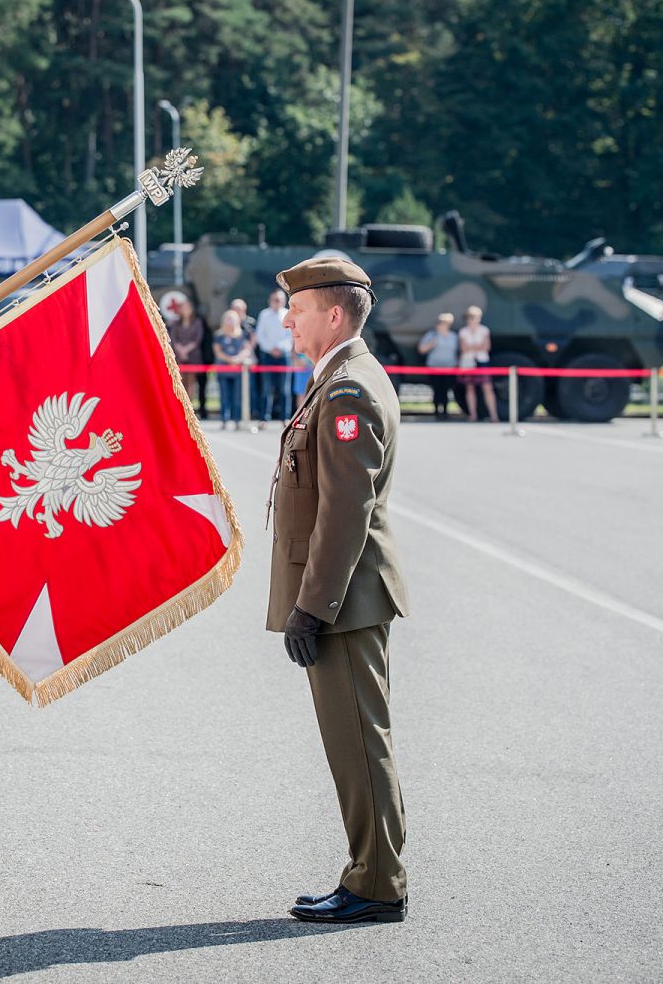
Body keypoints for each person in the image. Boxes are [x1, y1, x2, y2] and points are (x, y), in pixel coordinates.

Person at [267, 256, 410, 925]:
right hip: (342, 597)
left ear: (333, 313)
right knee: (356, 740)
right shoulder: (339, 380)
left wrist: (311, 606)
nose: (286, 319)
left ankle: (378, 883)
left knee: (358, 742)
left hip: (343, 601)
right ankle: (371, 871)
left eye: (296, 309)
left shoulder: (348, 389)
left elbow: (343, 511)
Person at [255, 289, 292, 428]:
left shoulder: (288, 314)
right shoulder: (264, 315)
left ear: (283, 301)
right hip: (267, 355)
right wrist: (271, 348)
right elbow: (260, 335)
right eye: (274, 299)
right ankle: (264, 418)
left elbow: (291, 336)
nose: (277, 302)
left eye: (279, 300)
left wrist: (280, 348)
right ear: (270, 300)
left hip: (284, 356)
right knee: (266, 388)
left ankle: (286, 418)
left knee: (284, 389)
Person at [165, 292, 205, 414]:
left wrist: (187, 349)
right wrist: (180, 350)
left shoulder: (197, 322)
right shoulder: (176, 324)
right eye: (184, 308)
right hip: (179, 357)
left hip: (193, 356)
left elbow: (198, 339)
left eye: (188, 308)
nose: (186, 310)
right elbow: (173, 338)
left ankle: (190, 409)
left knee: (191, 383)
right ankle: (180, 409)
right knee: (180, 382)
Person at [457, 305, 498, 422]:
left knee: (487, 388)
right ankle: (473, 415)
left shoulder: (484, 330)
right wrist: (477, 346)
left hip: (482, 361)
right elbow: (464, 348)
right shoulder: (463, 331)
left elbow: (486, 346)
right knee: (470, 388)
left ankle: (494, 415)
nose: (473, 319)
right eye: (471, 317)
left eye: (475, 317)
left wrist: (472, 347)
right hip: (468, 362)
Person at [211, 309, 250, 430]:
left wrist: (239, 358)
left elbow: (246, 349)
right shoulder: (219, 335)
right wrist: (230, 359)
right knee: (224, 395)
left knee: (237, 397)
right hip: (223, 370)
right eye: (227, 318)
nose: (230, 321)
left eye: (232, 319)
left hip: (238, 371)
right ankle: (224, 419)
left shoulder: (242, 335)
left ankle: (237, 420)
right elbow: (218, 352)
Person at [417, 313, 459, 419]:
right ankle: (436, 411)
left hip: (449, 368)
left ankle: (445, 411)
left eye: (443, 322)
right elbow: (421, 349)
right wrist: (431, 344)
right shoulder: (431, 335)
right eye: (439, 322)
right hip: (434, 367)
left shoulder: (453, 336)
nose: (440, 324)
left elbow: (458, 351)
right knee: (436, 390)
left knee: (446, 391)